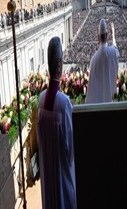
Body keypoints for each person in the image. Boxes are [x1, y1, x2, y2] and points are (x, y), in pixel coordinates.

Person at [36, 36, 77, 209]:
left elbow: (40, 141)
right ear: (60, 64)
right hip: (61, 176)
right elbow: (70, 149)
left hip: (47, 173)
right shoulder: (64, 102)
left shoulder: (41, 99)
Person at [85, 18, 119, 103]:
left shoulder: (93, 60)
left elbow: (91, 89)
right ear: (107, 35)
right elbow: (116, 50)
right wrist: (113, 35)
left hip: (97, 104)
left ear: (98, 38)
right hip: (109, 103)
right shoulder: (111, 52)